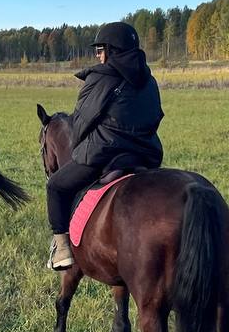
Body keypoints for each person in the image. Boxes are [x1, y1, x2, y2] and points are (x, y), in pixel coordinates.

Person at [46, 22, 164, 270]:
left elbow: (80, 123)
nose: (98, 56)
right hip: (146, 155)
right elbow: (155, 116)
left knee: (55, 186)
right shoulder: (149, 80)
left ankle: (63, 250)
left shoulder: (100, 77)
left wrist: (79, 149)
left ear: (111, 50)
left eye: (100, 49)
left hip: (104, 153)